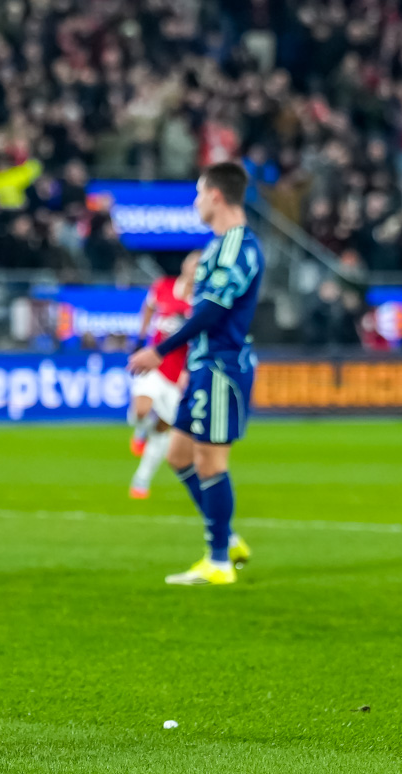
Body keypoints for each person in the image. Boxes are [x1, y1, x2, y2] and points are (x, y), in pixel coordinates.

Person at [128, 162, 261, 586]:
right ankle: (227, 538)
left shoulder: (237, 246)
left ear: (216, 195)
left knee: (210, 462)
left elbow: (213, 310)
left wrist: (160, 350)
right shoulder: (219, 245)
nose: (196, 202)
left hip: (222, 367)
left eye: (199, 194)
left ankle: (218, 561)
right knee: (179, 455)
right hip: (203, 366)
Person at [127, 250, 197, 500]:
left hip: (178, 374)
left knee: (164, 429)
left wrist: (188, 371)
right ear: (184, 265)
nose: (195, 269)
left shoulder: (202, 301)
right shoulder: (164, 287)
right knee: (141, 410)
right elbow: (148, 307)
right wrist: (141, 335)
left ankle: (141, 480)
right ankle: (140, 431)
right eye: (193, 264)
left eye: (200, 266)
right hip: (155, 364)